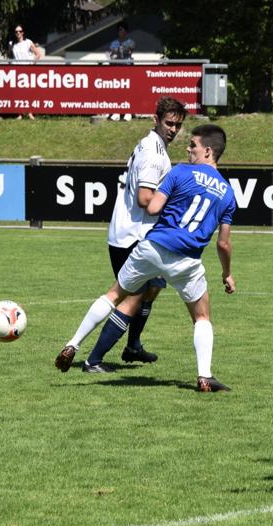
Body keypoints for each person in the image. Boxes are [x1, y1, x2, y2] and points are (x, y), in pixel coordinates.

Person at [56, 124, 236, 392]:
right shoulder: (228, 192)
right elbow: (223, 243)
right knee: (201, 317)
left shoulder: (180, 172)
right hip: (187, 261)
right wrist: (227, 273)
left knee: (114, 294)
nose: (189, 149)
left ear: (208, 151)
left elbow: (152, 206)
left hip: (153, 247)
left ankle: (73, 344)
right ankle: (204, 376)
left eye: (194, 145)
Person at [78, 97, 187, 373]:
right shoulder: (154, 154)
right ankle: (93, 360)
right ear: (156, 120)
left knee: (152, 288)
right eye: (169, 123)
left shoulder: (152, 145)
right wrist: (176, 203)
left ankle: (133, 346)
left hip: (134, 233)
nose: (173, 129)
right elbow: (144, 199)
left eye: (178, 125)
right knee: (130, 297)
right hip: (132, 237)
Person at [10, 24, 43, 119]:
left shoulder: (28, 42)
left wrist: (32, 65)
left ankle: (30, 113)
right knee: (19, 93)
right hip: (18, 70)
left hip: (28, 69)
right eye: (16, 32)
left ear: (23, 33)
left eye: (20, 31)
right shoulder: (14, 45)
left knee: (29, 93)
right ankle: (19, 114)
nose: (18, 33)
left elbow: (38, 54)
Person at [107, 21, 135, 121]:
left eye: (122, 29)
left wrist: (119, 51)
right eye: (119, 30)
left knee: (127, 91)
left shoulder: (130, 41)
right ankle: (116, 112)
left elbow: (127, 50)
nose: (121, 32)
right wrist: (119, 51)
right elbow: (113, 53)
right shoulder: (114, 42)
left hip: (127, 69)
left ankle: (128, 113)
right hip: (117, 69)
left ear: (126, 31)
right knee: (117, 91)